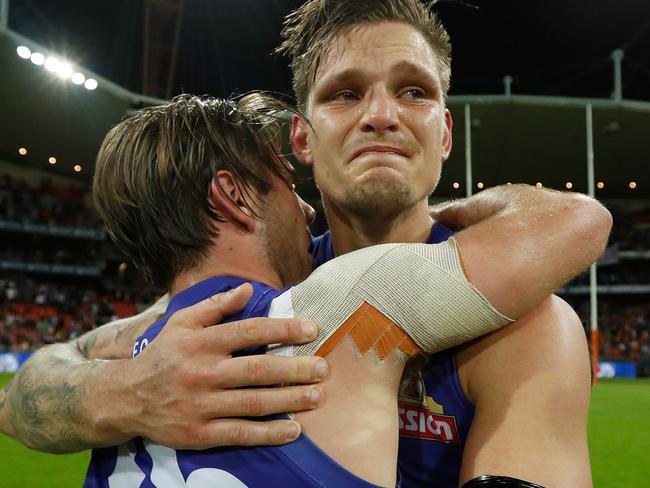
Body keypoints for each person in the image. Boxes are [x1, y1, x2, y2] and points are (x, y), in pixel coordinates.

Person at [0, 1, 611, 487]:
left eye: (414, 92)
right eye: (345, 93)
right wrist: (124, 391)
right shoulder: (256, 297)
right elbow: (31, 388)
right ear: (301, 137)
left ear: (444, 132)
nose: (381, 114)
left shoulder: (529, 328)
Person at [83, 92, 602, 488]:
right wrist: (445, 214)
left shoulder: (122, 368)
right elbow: (577, 219)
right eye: (285, 184)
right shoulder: (335, 306)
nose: (305, 211)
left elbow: (30, 388)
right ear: (234, 196)